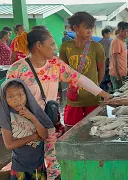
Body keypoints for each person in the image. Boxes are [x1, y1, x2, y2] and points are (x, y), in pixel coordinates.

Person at [8, 29, 112, 180]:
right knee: (29, 168)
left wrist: (105, 95)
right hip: (25, 128)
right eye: (51, 44)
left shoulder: (55, 65)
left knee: (54, 165)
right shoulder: (17, 69)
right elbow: (7, 100)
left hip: (48, 122)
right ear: (39, 45)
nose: (55, 48)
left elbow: (79, 78)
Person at [59, 12, 107, 131]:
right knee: (71, 131)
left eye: (91, 27)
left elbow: (101, 69)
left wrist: (96, 88)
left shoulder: (96, 47)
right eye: (86, 27)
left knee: (95, 131)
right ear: (75, 28)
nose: (90, 30)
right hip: (73, 99)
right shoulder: (66, 47)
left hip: (93, 99)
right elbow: (63, 71)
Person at [0, 79, 54, 180]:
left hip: (39, 165)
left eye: (20, 95)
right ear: (4, 98)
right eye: (10, 96)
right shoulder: (6, 116)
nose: (17, 100)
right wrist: (34, 136)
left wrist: (32, 118)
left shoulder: (34, 111)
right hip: (20, 168)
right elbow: (9, 144)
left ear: (27, 95)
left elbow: (44, 135)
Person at [109, 21, 128, 91]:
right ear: (119, 31)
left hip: (122, 73)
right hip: (117, 75)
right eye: (123, 31)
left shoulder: (122, 41)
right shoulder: (117, 42)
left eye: (127, 31)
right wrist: (118, 77)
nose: (126, 33)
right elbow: (115, 61)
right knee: (118, 94)